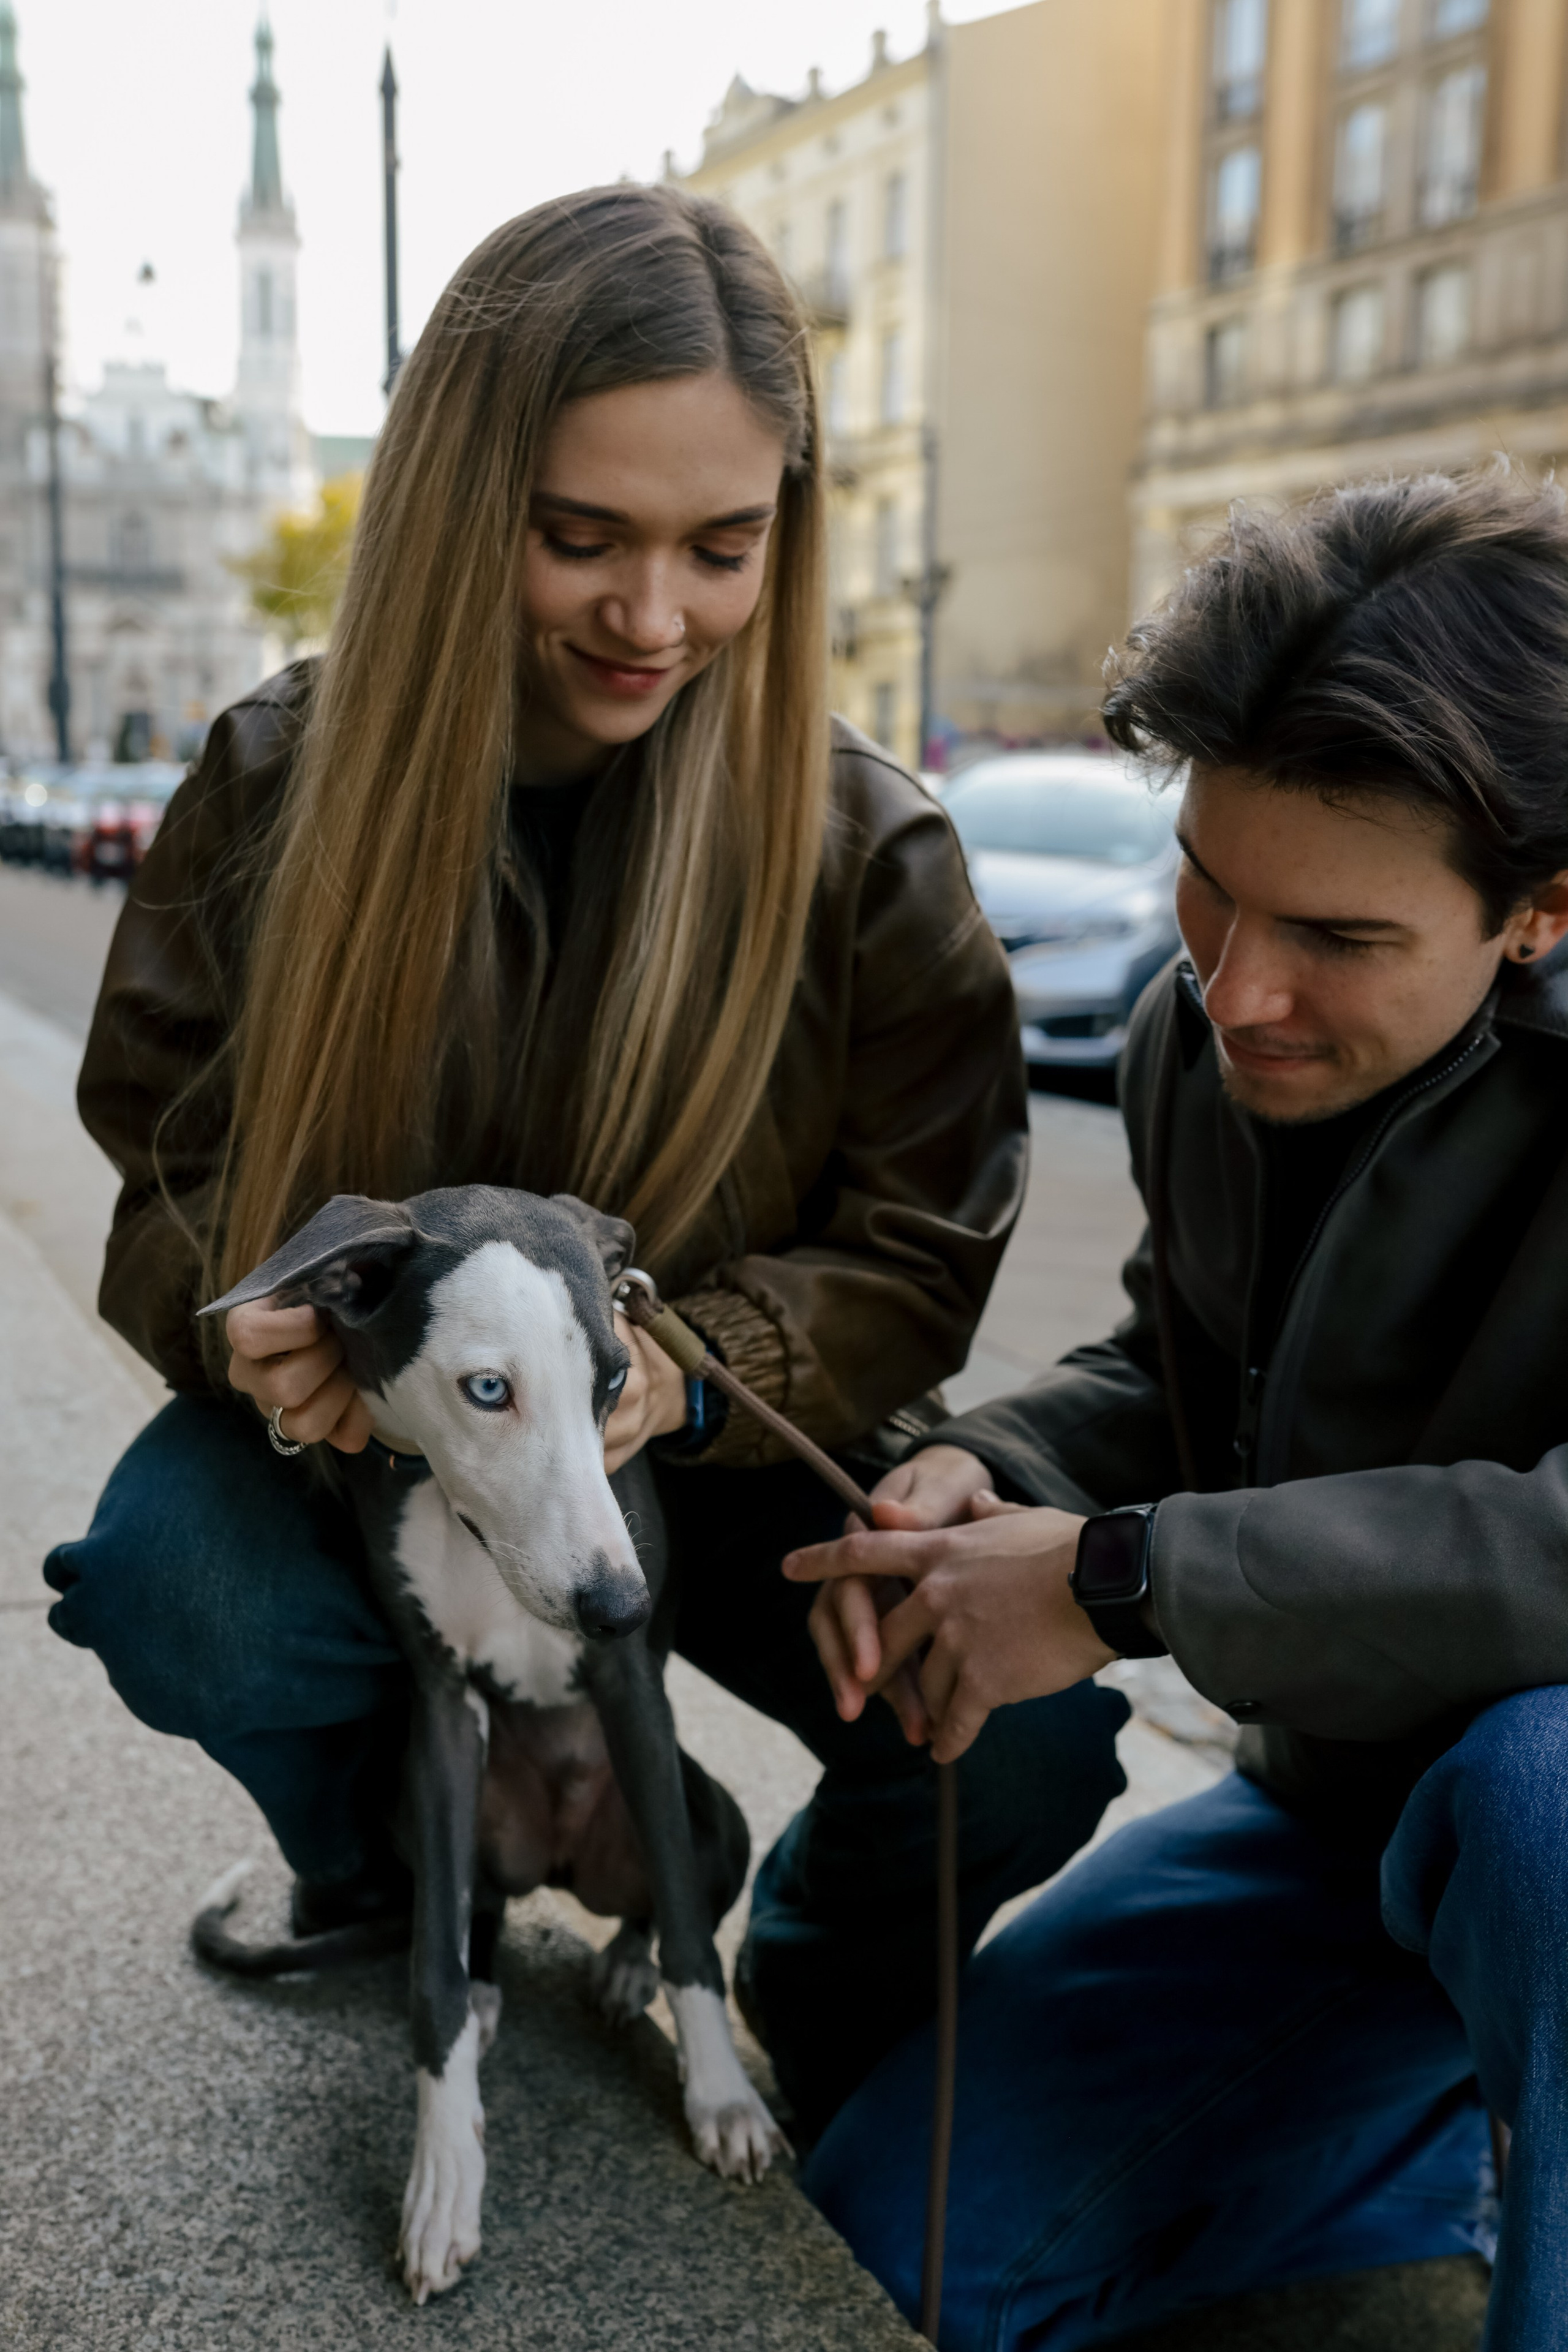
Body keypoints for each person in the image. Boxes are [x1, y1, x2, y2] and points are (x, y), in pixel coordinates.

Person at [42, 183, 1128, 2141]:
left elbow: (918, 1247)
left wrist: (684, 1367)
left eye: (723, 546)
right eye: (582, 537)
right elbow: (162, 1156)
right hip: (378, 1450)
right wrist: (257, 1333)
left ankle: (785, 1966)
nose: (655, 618)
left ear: (789, 523)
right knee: (168, 1584)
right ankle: (382, 1866)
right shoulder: (274, 778)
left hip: (720, 1458)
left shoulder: (869, 848)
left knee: (1028, 1742)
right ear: (463, 507)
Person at [788, 470, 1568, 2350]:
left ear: (1543, 911)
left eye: (1337, 939)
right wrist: (995, 1470)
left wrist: (1124, 1582)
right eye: (1209, 888)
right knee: (891, 2245)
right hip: (1341, 1837)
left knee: (1539, 1794)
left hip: (1538, 1829)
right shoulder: (1197, 1039)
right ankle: (1428, 2151)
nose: (1237, 989)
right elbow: (1180, 1367)